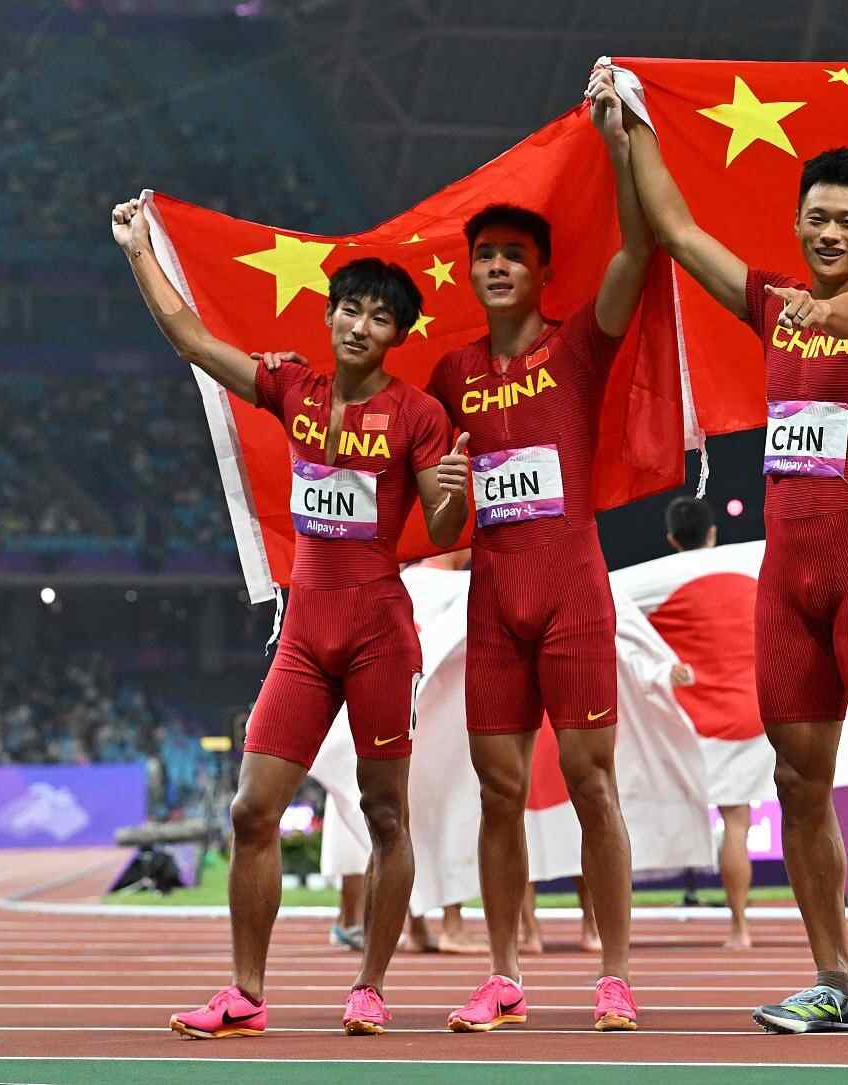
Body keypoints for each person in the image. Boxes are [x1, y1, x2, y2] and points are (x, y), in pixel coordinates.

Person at [597, 62, 848, 1037]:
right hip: (785, 588)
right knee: (796, 782)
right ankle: (833, 978)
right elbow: (677, 231)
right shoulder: (772, 306)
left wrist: (830, 308)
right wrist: (632, 122)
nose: (830, 232)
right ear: (797, 222)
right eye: (817, 218)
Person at [110, 200, 465, 1040]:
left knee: (386, 815)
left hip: (379, 632)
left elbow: (444, 527)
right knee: (251, 809)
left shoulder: (417, 415)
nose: (360, 325)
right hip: (305, 636)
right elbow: (193, 342)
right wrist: (137, 251)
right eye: (351, 308)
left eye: (380, 317)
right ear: (330, 314)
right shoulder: (294, 388)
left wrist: (454, 495)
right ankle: (245, 993)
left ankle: (370, 987)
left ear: (397, 335)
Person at [426, 74, 652, 1034]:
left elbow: (639, 249)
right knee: (499, 790)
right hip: (494, 604)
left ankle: (614, 975)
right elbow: (444, 528)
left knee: (594, 784)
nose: (496, 267)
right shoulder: (450, 375)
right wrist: (446, 495)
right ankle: (505, 974)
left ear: (541, 271)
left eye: (513, 255)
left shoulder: (578, 346)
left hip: (571, 594)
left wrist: (620, 142)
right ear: (470, 273)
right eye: (484, 256)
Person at [647, 495, 766, 950]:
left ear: (671, 538)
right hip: (747, 716)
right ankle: (740, 928)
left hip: (688, 720)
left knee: (631, 810)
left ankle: (596, 928)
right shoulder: (751, 567)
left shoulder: (655, 581)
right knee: (737, 823)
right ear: (713, 533)